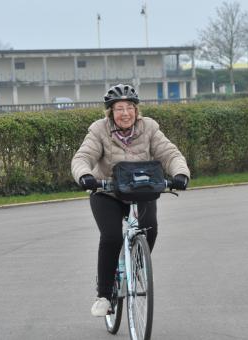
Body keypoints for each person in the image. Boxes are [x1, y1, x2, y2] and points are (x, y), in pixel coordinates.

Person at [71, 84, 190, 317]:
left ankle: (135, 267)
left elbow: (169, 153)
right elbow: (83, 156)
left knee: (151, 229)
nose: (125, 113)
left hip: (140, 191)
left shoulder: (150, 128)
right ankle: (104, 295)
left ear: (136, 110)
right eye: (118, 109)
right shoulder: (99, 130)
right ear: (110, 112)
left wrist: (180, 173)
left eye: (129, 108)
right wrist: (84, 175)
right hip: (107, 192)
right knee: (112, 237)